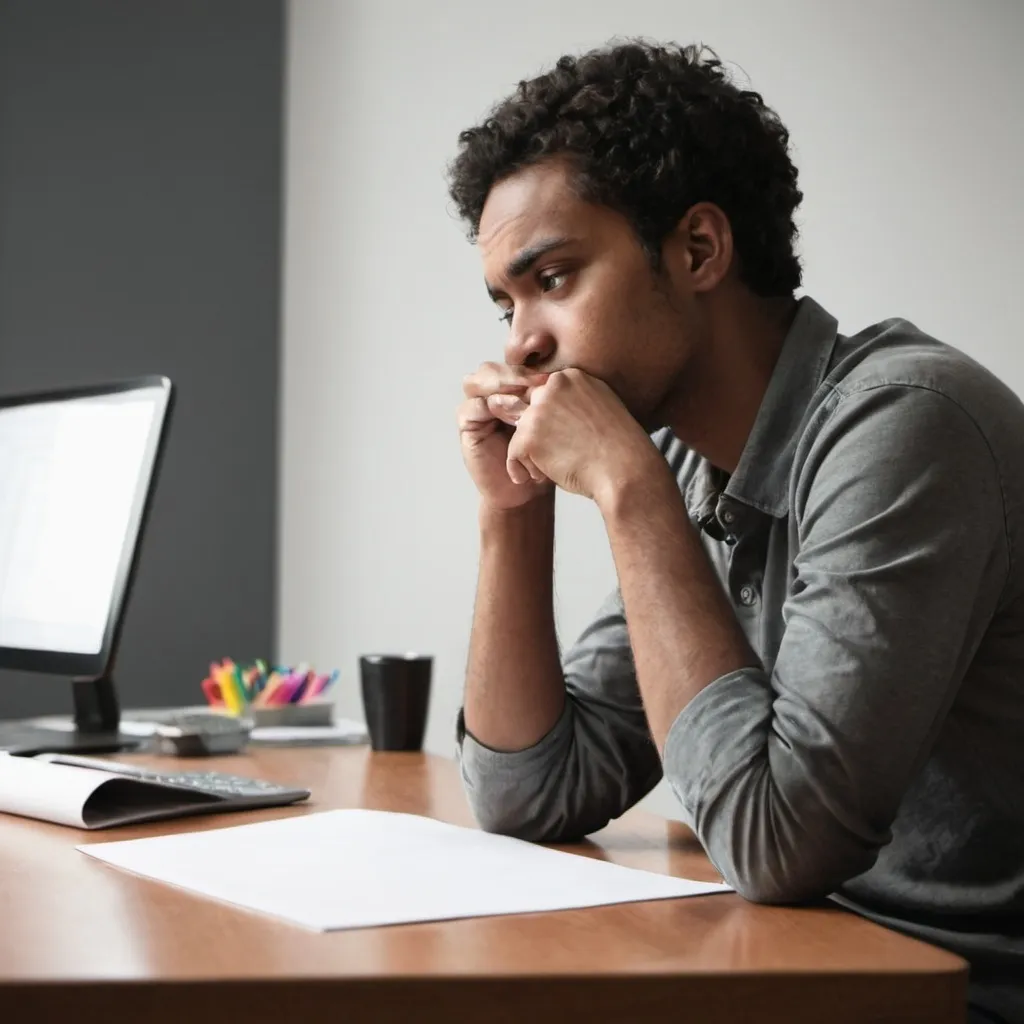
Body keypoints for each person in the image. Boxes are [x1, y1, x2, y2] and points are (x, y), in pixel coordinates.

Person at [447, 40, 1024, 1023]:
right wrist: (512, 510)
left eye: (554, 278)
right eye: (507, 301)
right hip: (799, 961)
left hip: (950, 991)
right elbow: (529, 792)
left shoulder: (906, 426)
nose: (519, 342)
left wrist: (630, 492)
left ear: (699, 250)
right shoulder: (689, 461)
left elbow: (773, 840)